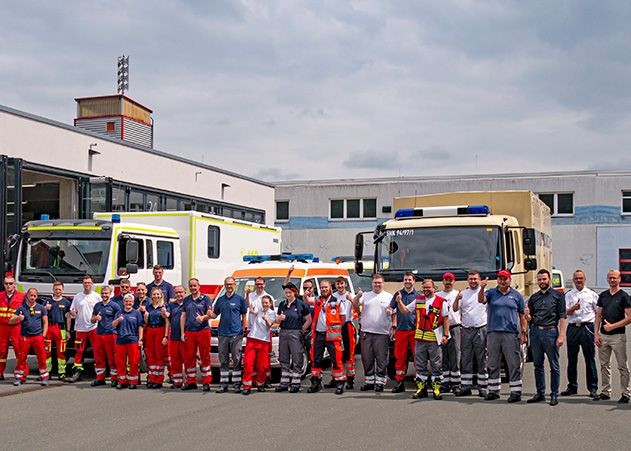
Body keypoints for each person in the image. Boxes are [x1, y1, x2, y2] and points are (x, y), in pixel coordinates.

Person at [478, 270, 527, 403]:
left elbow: (522, 315)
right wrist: (482, 287)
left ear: (509, 280)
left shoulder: (516, 295)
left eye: (505, 279)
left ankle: (516, 392)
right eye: (500, 279)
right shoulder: (491, 293)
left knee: (513, 363)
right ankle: (494, 391)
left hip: (510, 334)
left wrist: (523, 332)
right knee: (493, 363)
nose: (502, 281)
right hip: (493, 333)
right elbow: (481, 300)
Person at [397, 278, 449, 400]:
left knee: (436, 364)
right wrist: (399, 302)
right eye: (424, 287)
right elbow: (405, 311)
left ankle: (436, 389)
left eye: (428, 287)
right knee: (420, 365)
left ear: (433, 288)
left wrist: (445, 335)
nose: (426, 289)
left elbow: (446, 319)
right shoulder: (418, 300)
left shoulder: (441, 301)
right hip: (420, 338)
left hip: (434, 339)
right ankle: (421, 389)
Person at [526, 269, 567, 406]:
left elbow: (562, 317)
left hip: (550, 332)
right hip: (536, 332)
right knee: (538, 364)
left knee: (553, 365)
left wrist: (561, 336)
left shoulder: (558, 296)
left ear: (549, 280)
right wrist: (527, 316)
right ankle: (540, 393)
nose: (542, 282)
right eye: (539, 279)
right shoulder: (534, 297)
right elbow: (530, 318)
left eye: (544, 279)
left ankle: (554, 394)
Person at [593, 269, 631, 403]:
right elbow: (598, 315)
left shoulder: (624, 296)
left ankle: (626, 393)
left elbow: (630, 317)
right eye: (610, 278)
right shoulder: (603, 296)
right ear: (607, 279)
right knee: (604, 365)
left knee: (622, 366)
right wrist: (596, 334)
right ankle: (605, 392)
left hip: (618, 337)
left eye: (615, 278)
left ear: (619, 279)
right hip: (603, 337)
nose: (612, 280)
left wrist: (613, 326)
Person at [352, 273, 393, 393]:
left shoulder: (388, 297)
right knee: (367, 358)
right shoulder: (365, 295)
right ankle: (369, 381)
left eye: (379, 282)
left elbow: (394, 313)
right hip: (366, 332)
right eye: (375, 282)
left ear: (383, 283)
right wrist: (358, 296)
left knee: (381, 359)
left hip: (382, 333)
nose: (377, 285)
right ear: (372, 283)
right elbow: (355, 305)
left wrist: (393, 326)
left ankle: (380, 382)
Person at [561, 270, 599, 398]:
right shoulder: (569, 295)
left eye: (581, 278)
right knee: (572, 359)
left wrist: (597, 331)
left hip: (587, 327)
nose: (578, 280)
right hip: (573, 328)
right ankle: (572, 386)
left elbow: (598, 312)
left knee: (589, 358)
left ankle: (592, 388)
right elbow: (564, 312)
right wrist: (573, 308)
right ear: (573, 280)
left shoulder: (591, 294)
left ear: (585, 279)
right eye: (576, 278)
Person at [453, 270, 488, 397]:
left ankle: (482, 387)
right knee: (466, 358)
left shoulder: (485, 292)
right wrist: (457, 299)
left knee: (481, 358)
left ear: (479, 280)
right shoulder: (463, 293)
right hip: (466, 330)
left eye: (475, 279)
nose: (473, 281)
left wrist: (483, 288)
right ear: (468, 280)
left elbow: (484, 302)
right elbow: (455, 308)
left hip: (480, 329)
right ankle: (466, 386)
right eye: (471, 279)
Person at [308, 279, 346, 394]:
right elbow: (307, 300)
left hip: (332, 336)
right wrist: (306, 293)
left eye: (326, 287)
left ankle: (339, 383)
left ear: (330, 288)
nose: (324, 289)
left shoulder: (338, 302)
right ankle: (316, 383)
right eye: (322, 287)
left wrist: (334, 328)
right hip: (319, 334)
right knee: (316, 360)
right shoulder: (317, 300)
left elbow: (342, 319)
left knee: (336, 360)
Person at [212, 276, 247, 393]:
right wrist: (206, 315)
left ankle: (237, 383)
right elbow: (214, 314)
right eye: (227, 284)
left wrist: (243, 329)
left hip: (236, 334)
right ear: (224, 285)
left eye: (231, 284)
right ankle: (223, 383)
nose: (229, 286)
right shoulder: (220, 300)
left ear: (235, 285)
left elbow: (244, 316)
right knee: (223, 360)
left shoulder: (240, 300)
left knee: (237, 359)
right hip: (222, 333)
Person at [275, 283, 312, 393]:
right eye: (286, 293)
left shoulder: (300, 304)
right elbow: (277, 320)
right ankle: (284, 383)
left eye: (289, 292)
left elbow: (309, 320)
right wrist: (279, 318)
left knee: (297, 357)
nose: (288, 294)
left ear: (294, 292)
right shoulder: (282, 304)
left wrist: (301, 329)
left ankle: (296, 383)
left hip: (295, 332)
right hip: (283, 332)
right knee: (284, 358)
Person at [10, 288, 49, 386]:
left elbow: (45, 322)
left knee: (41, 357)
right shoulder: (21, 308)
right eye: (31, 295)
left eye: (35, 296)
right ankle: (20, 378)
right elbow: (11, 320)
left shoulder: (41, 308)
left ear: (37, 297)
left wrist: (43, 335)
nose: (32, 297)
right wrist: (18, 318)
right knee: (22, 358)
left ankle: (44, 377)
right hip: (25, 337)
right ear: (27, 295)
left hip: (38, 337)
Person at [180, 278, 213, 391]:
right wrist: (182, 332)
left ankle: (206, 382)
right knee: (189, 357)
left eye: (195, 286)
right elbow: (183, 316)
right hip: (190, 331)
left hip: (203, 330)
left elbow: (210, 314)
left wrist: (203, 318)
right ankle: (191, 382)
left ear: (199, 286)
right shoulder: (187, 300)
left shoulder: (206, 299)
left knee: (205, 356)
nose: (193, 288)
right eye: (191, 286)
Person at [68, 275, 101, 382]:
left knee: (97, 351)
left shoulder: (97, 297)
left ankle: (99, 374)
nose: (87, 284)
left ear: (92, 284)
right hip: (80, 329)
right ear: (83, 284)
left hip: (93, 328)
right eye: (85, 283)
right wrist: (72, 312)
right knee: (79, 351)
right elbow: (72, 311)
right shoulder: (77, 297)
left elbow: (101, 312)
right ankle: (77, 372)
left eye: (89, 283)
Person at [389, 272, 418, 393]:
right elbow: (392, 308)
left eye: (409, 280)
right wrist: (390, 314)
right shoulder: (398, 294)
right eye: (405, 279)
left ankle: (419, 382)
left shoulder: (419, 296)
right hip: (401, 330)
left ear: (414, 281)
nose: (407, 282)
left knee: (418, 357)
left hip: (415, 330)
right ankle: (399, 382)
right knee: (399, 357)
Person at [242, 295, 276, 395]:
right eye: (263, 302)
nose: (264, 304)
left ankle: (260, 383)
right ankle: (247, 385)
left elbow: (269, 325)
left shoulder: (272, 313)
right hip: (252, 339)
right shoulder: (259, 310)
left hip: (263, 341)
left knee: (262, 365)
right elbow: (251, 306)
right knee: (248, 363)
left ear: (270, 304)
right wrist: (248, 295)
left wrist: (266, 319)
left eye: (266, 303)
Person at [328, 277, 356, 389]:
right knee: (335, 353)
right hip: (335, 326)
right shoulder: (333, 297)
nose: (340, 286)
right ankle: (335, 377)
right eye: (338, 284)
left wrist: (353, 300)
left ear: (345, 284)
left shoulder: (350, 296)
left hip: (347, 325)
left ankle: (350, 379)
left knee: (349, 353)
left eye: (342, 284)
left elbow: (358, 308)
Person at [90, 285, 121, 387]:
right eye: (103, 293)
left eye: (106, 293)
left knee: (112, 357)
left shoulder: (115, 306)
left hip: (110, 334)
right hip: (99, 334)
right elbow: (92, 319)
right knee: (99, 357)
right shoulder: (97, 305)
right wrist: (95, 318)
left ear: (110, 293)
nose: (104, 295)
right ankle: (100, 379)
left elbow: (119, 320)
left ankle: (114, 379)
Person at [245, 276, 273, 388]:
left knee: (263, 362)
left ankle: (264, 380)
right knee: (250, 361)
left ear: (264, 284)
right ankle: (251, 382)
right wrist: (247, 295)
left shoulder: (269, 297)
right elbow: (249, 307)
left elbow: (271, 316)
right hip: (252, 331)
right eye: (257, 284)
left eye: (261, 284)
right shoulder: (251, 296)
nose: (259, 286)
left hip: (264, 334)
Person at [436, 272, 461, 393]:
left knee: (455, 355)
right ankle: (445, 383)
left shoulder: (459, 294)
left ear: (454, 281)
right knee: (443, 356)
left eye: (450, 280)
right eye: (446, 280)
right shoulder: (437, 295)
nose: (448, 282)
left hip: (455, 327)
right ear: (443, 281)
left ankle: (456, 384)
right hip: (441, 328)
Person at [113, 294, 144, 389]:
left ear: (133, 302)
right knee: (120, 362)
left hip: (133, 340)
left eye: (130, 301)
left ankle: (133, 381)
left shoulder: (136, 313)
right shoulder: (119, 313)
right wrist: (118, 319)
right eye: (126, 301)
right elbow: (113, 325)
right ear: (123, 302)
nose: (128, 303)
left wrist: (140, 339)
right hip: (121, 340)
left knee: (133, 362)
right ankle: (122, 381)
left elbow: (140, 326)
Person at [44, 281, 71, 381]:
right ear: (53, 290)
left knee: (61, 352)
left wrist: (68, 331)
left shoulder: (66, 302)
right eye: (56, 289)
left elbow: (68, 317)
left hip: (61, 329)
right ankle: (48, 372)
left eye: (60, 289)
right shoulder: (47, 301)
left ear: (63, 290)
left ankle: (62, 372)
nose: (58, 291)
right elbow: (43, 316)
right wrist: (45, 309)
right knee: (47, 351)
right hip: (49, 328)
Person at [0, 276, 25, 380]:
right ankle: (0, 372)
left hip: (16, 327)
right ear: (4, 284)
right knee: (1, 351)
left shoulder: (22, 296)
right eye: (6, 284)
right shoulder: (0, 296)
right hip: (2, 327)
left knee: (19, 350)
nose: (8, 286)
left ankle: (21, 374)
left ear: (14, 284)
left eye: (10, 283)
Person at [143, 287, 168, 388]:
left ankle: (158, 380)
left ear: (161, 295)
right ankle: (151, 378)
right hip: (150, 330)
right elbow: (145, 322)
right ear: (151, 296)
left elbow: (167, 322)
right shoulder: (147, 307)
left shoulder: (164, 307)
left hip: (160, 330)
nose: (156, 296)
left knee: (159, 355)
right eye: (154, 294)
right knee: (150, 355)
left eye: (158, 294)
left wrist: (165, 336)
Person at [165, 285, 187, 389]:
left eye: (181, 292)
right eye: (177, 292)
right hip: (174, 336)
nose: (179, 294)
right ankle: (177, 381)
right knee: (175, 361)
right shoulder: (171, 305)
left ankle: (189, 381)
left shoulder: (189, 303)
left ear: (185, 292)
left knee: (188, 360)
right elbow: (168, 315)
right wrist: (165, 313)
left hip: (185, 337)